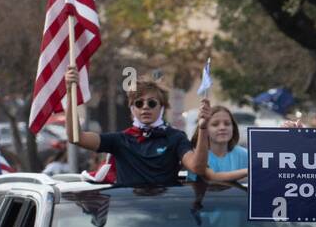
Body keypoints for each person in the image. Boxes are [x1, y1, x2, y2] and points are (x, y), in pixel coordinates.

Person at [63, 65, 209, 186]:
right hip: (129, 216)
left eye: (151, 103)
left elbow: (198, 167)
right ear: (132, 109)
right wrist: (70, 92)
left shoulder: (175, 137)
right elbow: (76, 137)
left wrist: (202, 128)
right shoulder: (120, 139)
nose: (145, 107)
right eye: (139, 103)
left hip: (164, 215)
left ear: (162, 107)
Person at [189, 105, 250, 184]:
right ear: (204, 129)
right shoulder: (196, 155)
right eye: (215, 124)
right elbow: (213, 177)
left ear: (233, 127)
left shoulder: (246, 154)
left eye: (227, 124)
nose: (222, 127)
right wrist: (249, 171)